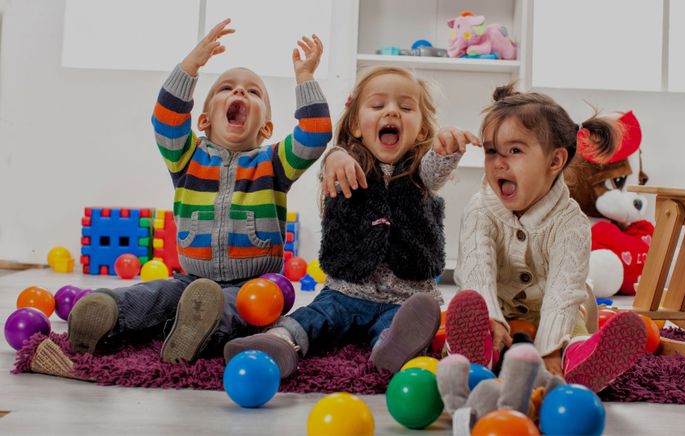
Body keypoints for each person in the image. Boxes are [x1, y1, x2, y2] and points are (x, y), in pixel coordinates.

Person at [67, 19, 332, 363]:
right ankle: (109, 312)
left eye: (253, 92)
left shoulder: (274, 162)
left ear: (266, 127)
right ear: (204, 120)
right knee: (157, 294)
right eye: (227, 88)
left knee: (247, 307)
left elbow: (315, 134)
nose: (239, 93)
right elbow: (166, 118)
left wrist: (306, 78)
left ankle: (199, 329)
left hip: (254, 282)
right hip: (191, 278)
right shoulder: (186, 156)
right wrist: (191, 65)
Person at [224, 66, 476, 377]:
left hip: (405, 299)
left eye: (406, 107)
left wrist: (446, 149)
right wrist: (334, 156)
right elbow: (333, 170)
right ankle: (278, 341)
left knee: (400, 327)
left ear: (422, 130)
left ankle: (392, 348)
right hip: (345, 293)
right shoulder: (346, 164)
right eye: (378, 105)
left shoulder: (419, 172)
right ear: (356, 125)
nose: (393, 112)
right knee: (315, 317)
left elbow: (435, 169)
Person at [446, 84, 646, 392]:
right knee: (472, 305)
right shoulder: (480, 210)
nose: (499, 162)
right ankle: (477, 353)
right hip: (499, 306)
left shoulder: (570, 222)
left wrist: (550, 350)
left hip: (556, 312)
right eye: (491, 151)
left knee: (573, 327)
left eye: (514, 151)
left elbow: (563, 291)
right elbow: (476, 270)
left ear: (555, 162)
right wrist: (491, 317)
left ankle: (578, 360)